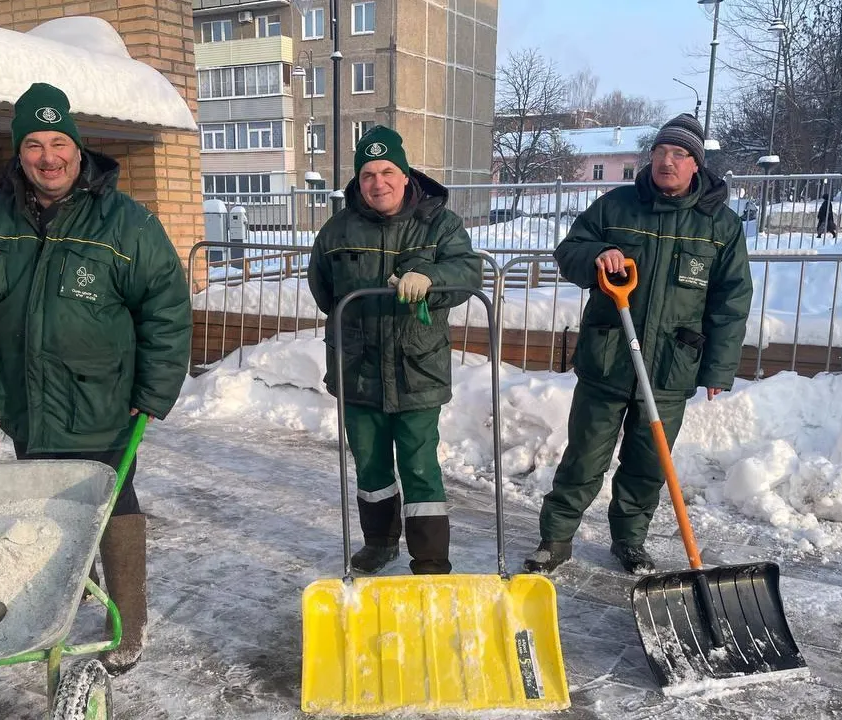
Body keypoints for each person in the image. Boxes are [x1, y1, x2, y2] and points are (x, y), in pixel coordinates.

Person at [0, 82, 192, 674]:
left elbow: (166, 310)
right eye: (33, 144)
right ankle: (65, 589)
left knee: (111, 501)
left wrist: (154, 393)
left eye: (59, 142)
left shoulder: (126, 222)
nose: (48, 157)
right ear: (19, 152)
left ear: (78, 150)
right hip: (24, 397)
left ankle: (127, 618)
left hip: (106, 397)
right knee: (43, 500)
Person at [523, 113, 753, 576]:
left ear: (697, 165)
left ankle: (629, 540)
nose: (667, 161)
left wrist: (717, 369)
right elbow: (569, 252)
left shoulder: (720, 226)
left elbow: (730, 300)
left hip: (671, 365)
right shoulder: (617, 207)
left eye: (680, 154)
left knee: (648, 462)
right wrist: (595, 256)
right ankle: (557, 537)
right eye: (661, 151)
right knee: (585, 455)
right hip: (608, 357)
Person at [307, 125, 482, 576]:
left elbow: (467, 272)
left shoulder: (440, 223)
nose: (378, 183)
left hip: (416, 367)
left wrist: (430, 278)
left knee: (420, 465)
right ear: (357, 181)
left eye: (387, 171)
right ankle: (379, 543)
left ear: (406, 176)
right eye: (368, 174)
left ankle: (429, 559)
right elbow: (325, 291)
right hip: (357, 367)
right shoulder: (337, 230)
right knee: (370, 466)